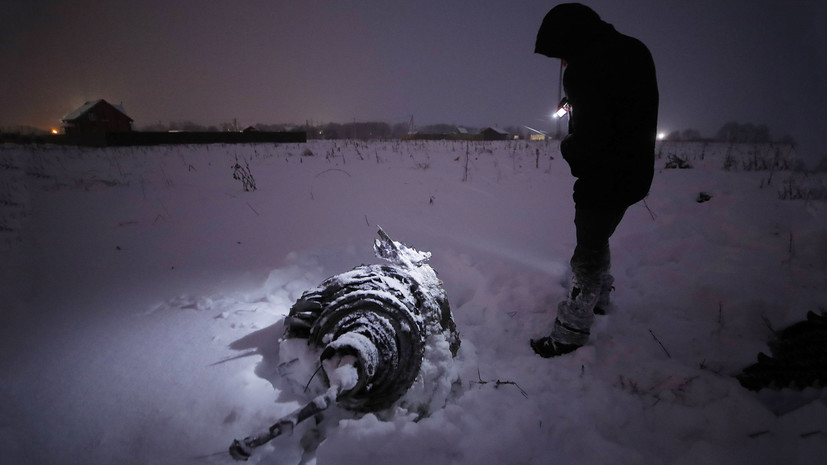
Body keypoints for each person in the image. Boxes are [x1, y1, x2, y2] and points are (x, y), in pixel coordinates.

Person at [530, 3, 659, 357]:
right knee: (599, 236)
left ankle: (571, 330)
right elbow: (622, 103)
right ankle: (600, 298)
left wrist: (570, 147)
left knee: (586, 250)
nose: (561, 64)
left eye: (561, 55)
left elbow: (591, 136)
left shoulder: (584, 69)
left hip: (602, 176)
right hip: (635, 172)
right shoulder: (633, 49)